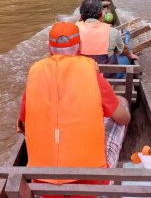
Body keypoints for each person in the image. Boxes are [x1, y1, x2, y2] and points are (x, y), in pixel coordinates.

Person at [17, 22, 130, 198]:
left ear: (49, 48)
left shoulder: (35, 73)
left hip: (41, 187)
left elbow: (24, 127)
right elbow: (123, 118)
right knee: (122, 109)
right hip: (91, 187)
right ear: (80, 47)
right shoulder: (90, 71)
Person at [76, 0, 138, 78]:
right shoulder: (112, 31)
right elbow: (122, 50)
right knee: (124, 57)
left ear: (81, 15)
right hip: (104, 76)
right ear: (101, 14)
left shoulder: (74, 29)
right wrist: (130, 55)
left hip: (82, 76)